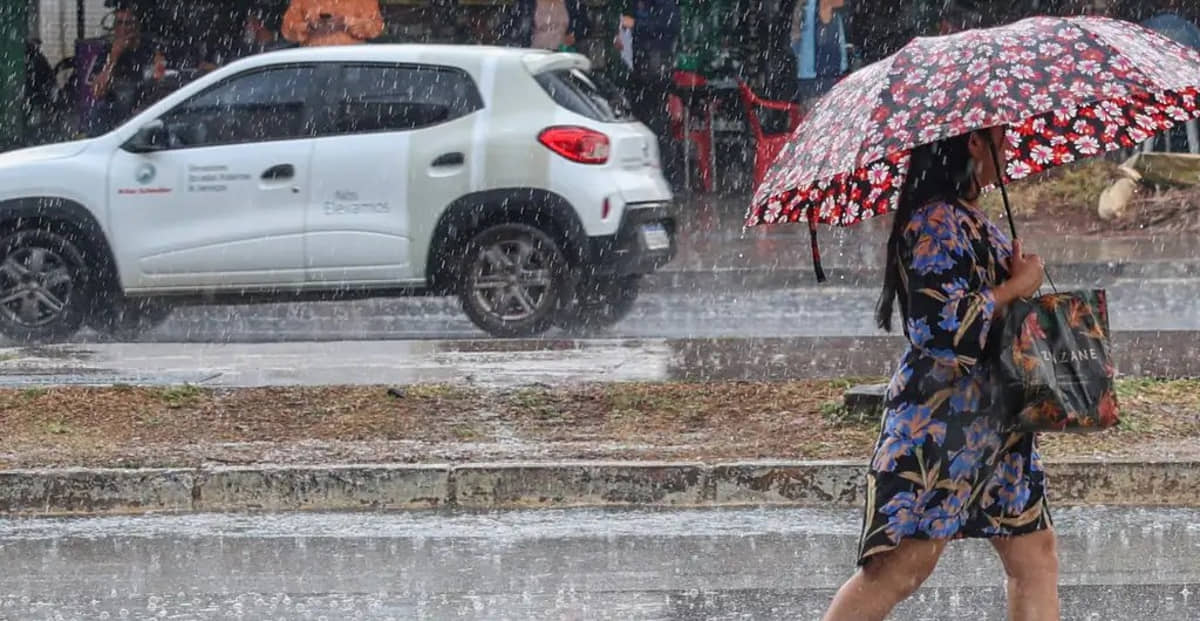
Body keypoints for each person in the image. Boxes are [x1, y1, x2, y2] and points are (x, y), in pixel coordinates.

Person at [822, 128, 1058, 621]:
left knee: (1034, 556)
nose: (1010, 145)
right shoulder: (933, 222)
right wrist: (1017, 284)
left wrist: (1014, 277)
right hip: (939, 428)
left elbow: (991, 312)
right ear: (974, 143)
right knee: (900, 569)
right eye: (1000, 136)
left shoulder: (969, 216)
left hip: (995, 424)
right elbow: (940, 328)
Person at [618, 0, 682, 187]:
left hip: (655, 66)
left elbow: (670, 25)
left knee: (656, 121)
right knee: (646, 118)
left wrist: (637, 25)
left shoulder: (662, 6)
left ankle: (668, 175)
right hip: (642, 66)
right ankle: (656, 174)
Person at [87, 7, 165, 136]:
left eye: (128, 23)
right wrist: (113, 58)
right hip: (114, 110)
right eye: (119, 23)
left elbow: (161, 81)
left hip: (146, 109)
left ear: (137, 26)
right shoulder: (107, 50)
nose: (124, 28)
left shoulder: (151, 49)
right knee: (99, 111)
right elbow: (97, 92)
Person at [789, 0, 851, 104]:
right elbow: (796, 42)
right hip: (816, 82)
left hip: (827, 79)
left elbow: (796, 43)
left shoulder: (834, 14)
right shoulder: (807, 8)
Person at [282, 0, 385, 47]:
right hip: (312, 58)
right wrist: (310, 26)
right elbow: (287, 29)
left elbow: (376, 28)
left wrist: (346, 22)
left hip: (352, 59)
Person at [501, 0, 590, 50]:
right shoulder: (526, 4)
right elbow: (511, 30)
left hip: (563, 56)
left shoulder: (572, 3)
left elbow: (585, 26)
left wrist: (573, 36)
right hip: (535, 56)